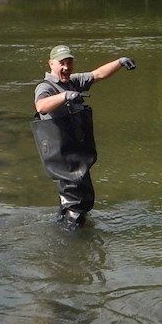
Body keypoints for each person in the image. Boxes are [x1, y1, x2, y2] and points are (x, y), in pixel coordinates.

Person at [31, 45, 136, 229]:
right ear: (51, 64)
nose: (66, 67)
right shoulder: (45, 87)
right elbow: (41, 107)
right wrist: (65, 96)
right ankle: (72, 237)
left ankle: (65, 226)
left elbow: (98, 74)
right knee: (75, 198)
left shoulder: (74, 81)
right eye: (61, 63)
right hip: (61, 153)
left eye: (69, 63)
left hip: (76, 150)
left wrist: (119, 62)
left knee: (82, 194)